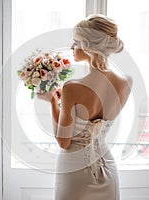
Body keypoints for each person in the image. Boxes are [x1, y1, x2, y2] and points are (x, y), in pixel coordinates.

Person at [37, 14, 132, 200]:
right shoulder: (126, 82)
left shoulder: (73, 87)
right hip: (108, 169)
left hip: (74, 170)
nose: (71, 47)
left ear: (89, 46)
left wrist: (52, 102)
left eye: (75, 42)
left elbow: (64, 142)